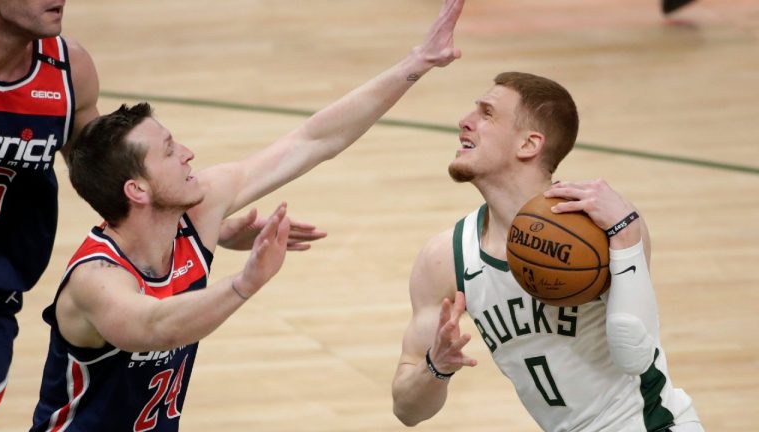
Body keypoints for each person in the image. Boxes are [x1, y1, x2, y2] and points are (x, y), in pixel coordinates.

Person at [28, 0, 466, 430]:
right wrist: (244, 284)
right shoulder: (96, 279)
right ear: (137, 189)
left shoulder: (197, 214)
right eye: (168, 150)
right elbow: (155, 325)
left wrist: (418, 61)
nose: (187, 154)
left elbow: (312, 140)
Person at [0, 0, 323, 419]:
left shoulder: (67, 68)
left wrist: (188, 228)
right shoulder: (94, 282)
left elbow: (105, 173)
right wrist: (243, 281)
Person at [391, 72, 703, 431]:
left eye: (486, 113)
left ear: (529, 144)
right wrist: (437, 365)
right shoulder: (445, 258)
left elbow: (633, 353)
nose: (466, 121)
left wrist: (627, 235)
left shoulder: (600, 224)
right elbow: (406, 410)